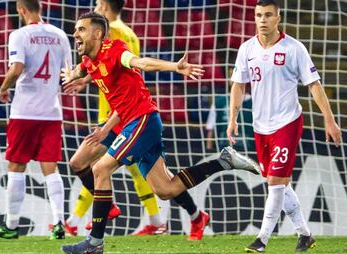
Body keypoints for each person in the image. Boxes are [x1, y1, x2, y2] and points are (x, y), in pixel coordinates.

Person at [60, 12, 260, 254]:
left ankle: (94, 243)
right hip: (126, 121)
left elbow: (141, 62)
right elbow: (86, 71)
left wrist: (175, 66)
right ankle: (223, 161)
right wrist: (75, 77)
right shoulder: (90, 60)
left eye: (81, 29)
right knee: (164, 189)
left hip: (141, 120)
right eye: (76, 29)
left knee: (100, 168)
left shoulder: (115, 50)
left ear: (98, 34)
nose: (75, 34)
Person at [226, 0, 343, 252]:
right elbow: (238, 84)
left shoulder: (294, 48)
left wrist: (329, 119)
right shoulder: (247, 49)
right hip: (261, 126)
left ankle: (262, 239)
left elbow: (313, 84)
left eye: (268, 15)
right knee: (279, 182)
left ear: (278, 18)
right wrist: (232, 117)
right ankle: (305, 234)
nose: (262, 20)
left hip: (287, 123)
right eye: (258, 15)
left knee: (276, 182)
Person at [58, 0, 167, 237]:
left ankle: (79, 223)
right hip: (119, 112)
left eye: (97, 3)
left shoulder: (114, 37)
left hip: (120, 113)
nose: (95, 7)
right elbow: (95, 66)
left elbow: (131, 66)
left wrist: (109, 122)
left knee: (103, 167)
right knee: (93, 165)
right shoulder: (130, 33)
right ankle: (156, 220)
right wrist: (79, 78)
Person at [0, 0, 72, 240]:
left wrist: (3, 89)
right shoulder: (60, 34)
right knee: (50, 168)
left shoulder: (19, 35)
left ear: (21, 10)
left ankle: (11, 226)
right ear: (40, 9)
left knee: (16, 166)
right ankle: (58, 224)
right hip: (52, 112)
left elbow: (16, 68)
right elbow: (69, 73)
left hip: (24, 112)